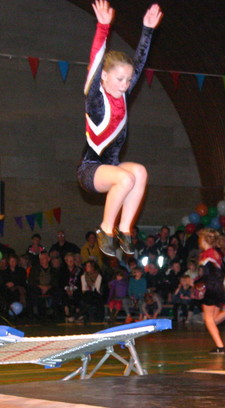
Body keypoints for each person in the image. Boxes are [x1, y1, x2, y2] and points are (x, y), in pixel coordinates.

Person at [76, 1, 163, 257]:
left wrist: (147, 30)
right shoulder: (95, 98)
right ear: (104, 76)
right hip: (90, 170)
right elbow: (96, 59)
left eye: (128, 80)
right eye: (119, 79)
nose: (125, 85)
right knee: (125, 179)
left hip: (111, 167)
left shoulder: (123, 95)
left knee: (139, 172)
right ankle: (106, 229)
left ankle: (124, 229)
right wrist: (103, 27)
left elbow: (140, 61)